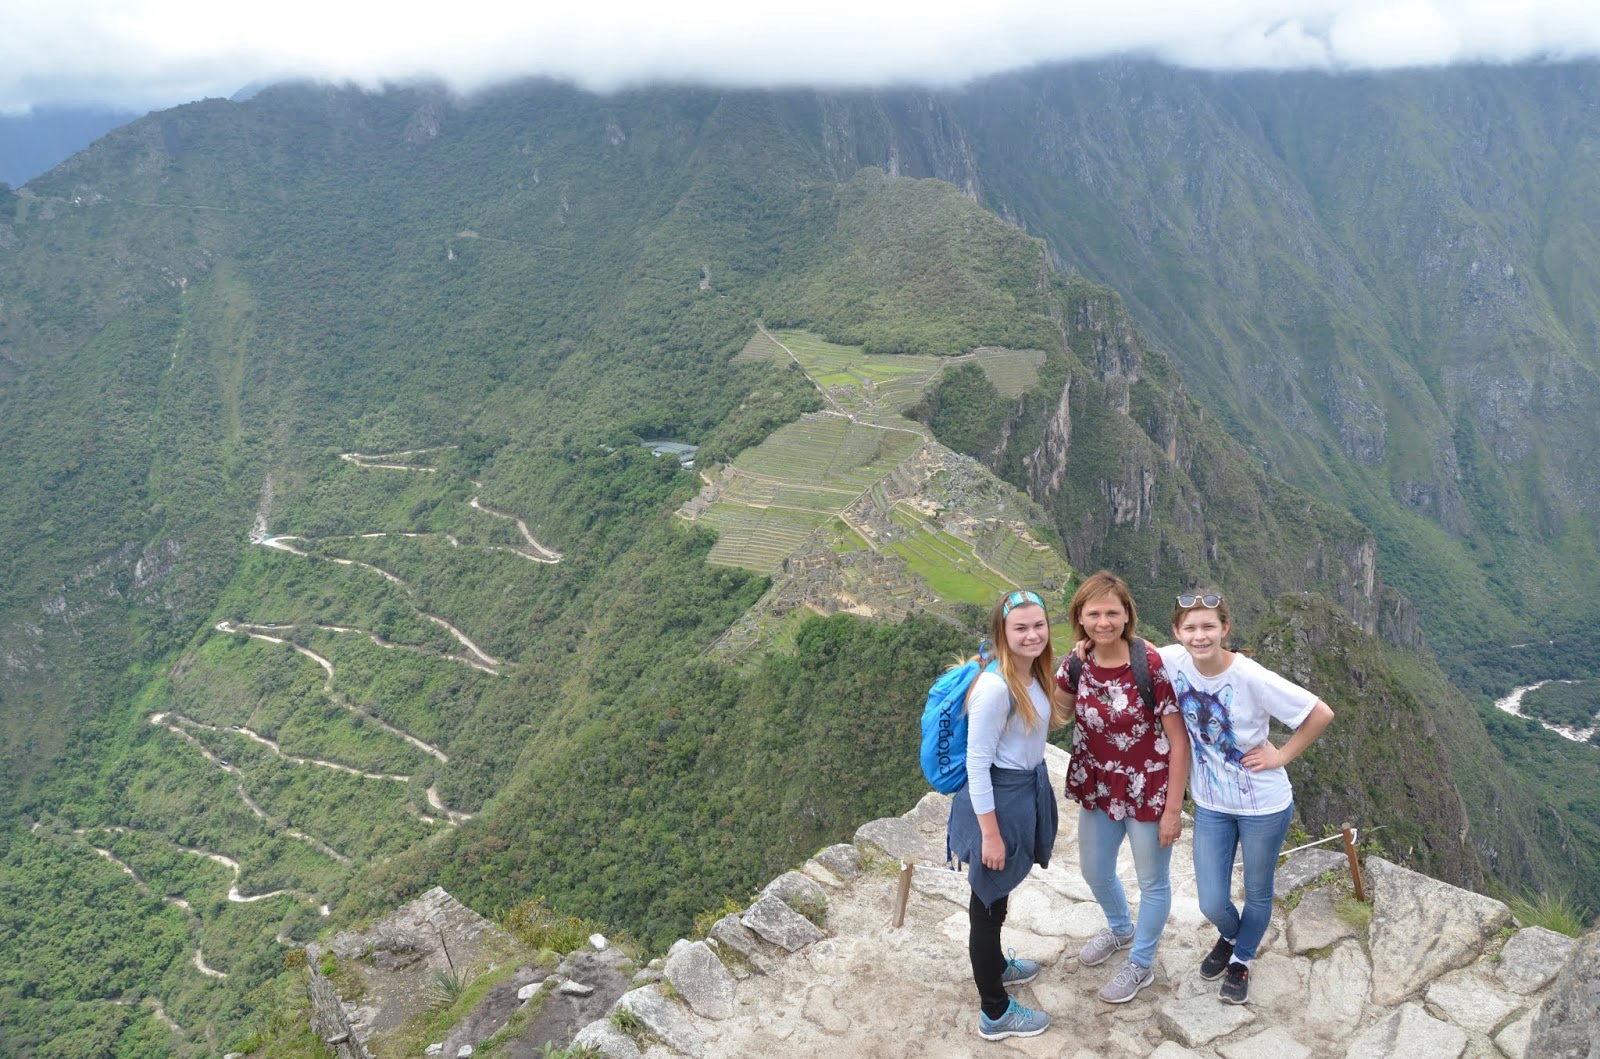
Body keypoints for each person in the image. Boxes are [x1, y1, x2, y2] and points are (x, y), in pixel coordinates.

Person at [1159, 590, 1334, 1005]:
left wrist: (1281, 755)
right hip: (1211, 804)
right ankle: (1232, 934)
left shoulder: (1252, 676)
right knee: (1211, 901)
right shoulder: (1173, 660)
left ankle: (1241, 959)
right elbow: (1127, 645)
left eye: (1208, 626)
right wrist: (1083, 648)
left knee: (1257, 890)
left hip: (1263, 805)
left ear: (1225, 628)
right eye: (1190, 628)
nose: (1200, 636)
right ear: (1177, 632)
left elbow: (1320, 713)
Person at [1056, 571, 1189, 1004]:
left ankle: (1141, 963)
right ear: (1080, 617)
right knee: (1094, 870)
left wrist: (1173, 811)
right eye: (1094, 614)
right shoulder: (1076, 664)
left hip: (1148, 787)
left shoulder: (1149, 665)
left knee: (1152, 881)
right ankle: (1119, 927)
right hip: (1098, 784)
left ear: (1127, 615)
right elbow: (1056, 714)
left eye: (1112, 613)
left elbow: (1179, 740)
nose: (1103, 622)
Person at [946, 589, 1061, 1041]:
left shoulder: (1032, 673)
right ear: (1002, 633)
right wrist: (990, 836)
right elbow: (977, 765)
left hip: (1020, 794)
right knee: (986, 905)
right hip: (997, 801)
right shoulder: (996, 687)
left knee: (997, 895)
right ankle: (994, 1012)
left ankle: (995, 966)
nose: (1032, 635)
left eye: (1039, 625)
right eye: (1021, 628)